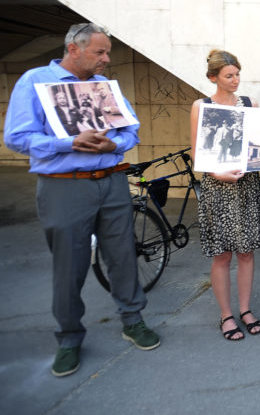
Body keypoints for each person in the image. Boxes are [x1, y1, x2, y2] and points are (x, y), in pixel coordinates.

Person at [4, 23, 160, 377]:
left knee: (122, 255)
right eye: (99, 52)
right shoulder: (35, 81)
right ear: (73, 49)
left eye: (108, 53)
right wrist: (69, 142)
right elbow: (16, 137)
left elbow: (130, 129)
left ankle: (133, 320)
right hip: (64, 185)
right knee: (69, 264)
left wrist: (114, 145)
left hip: (112, 181)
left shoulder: (104, 87)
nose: (106, 59)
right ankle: (69, 338)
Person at [189, 50, 260, 341]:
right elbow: (196, 153)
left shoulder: (249, 104)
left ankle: (246, 309)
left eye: (237, 74)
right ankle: (227, 315)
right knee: (223, 254)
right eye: (229, 76)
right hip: (218, 186)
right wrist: (216, 174)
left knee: (247, 251)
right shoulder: (202, 106)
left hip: (247, 185)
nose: (236, 80)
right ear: (213, 78)